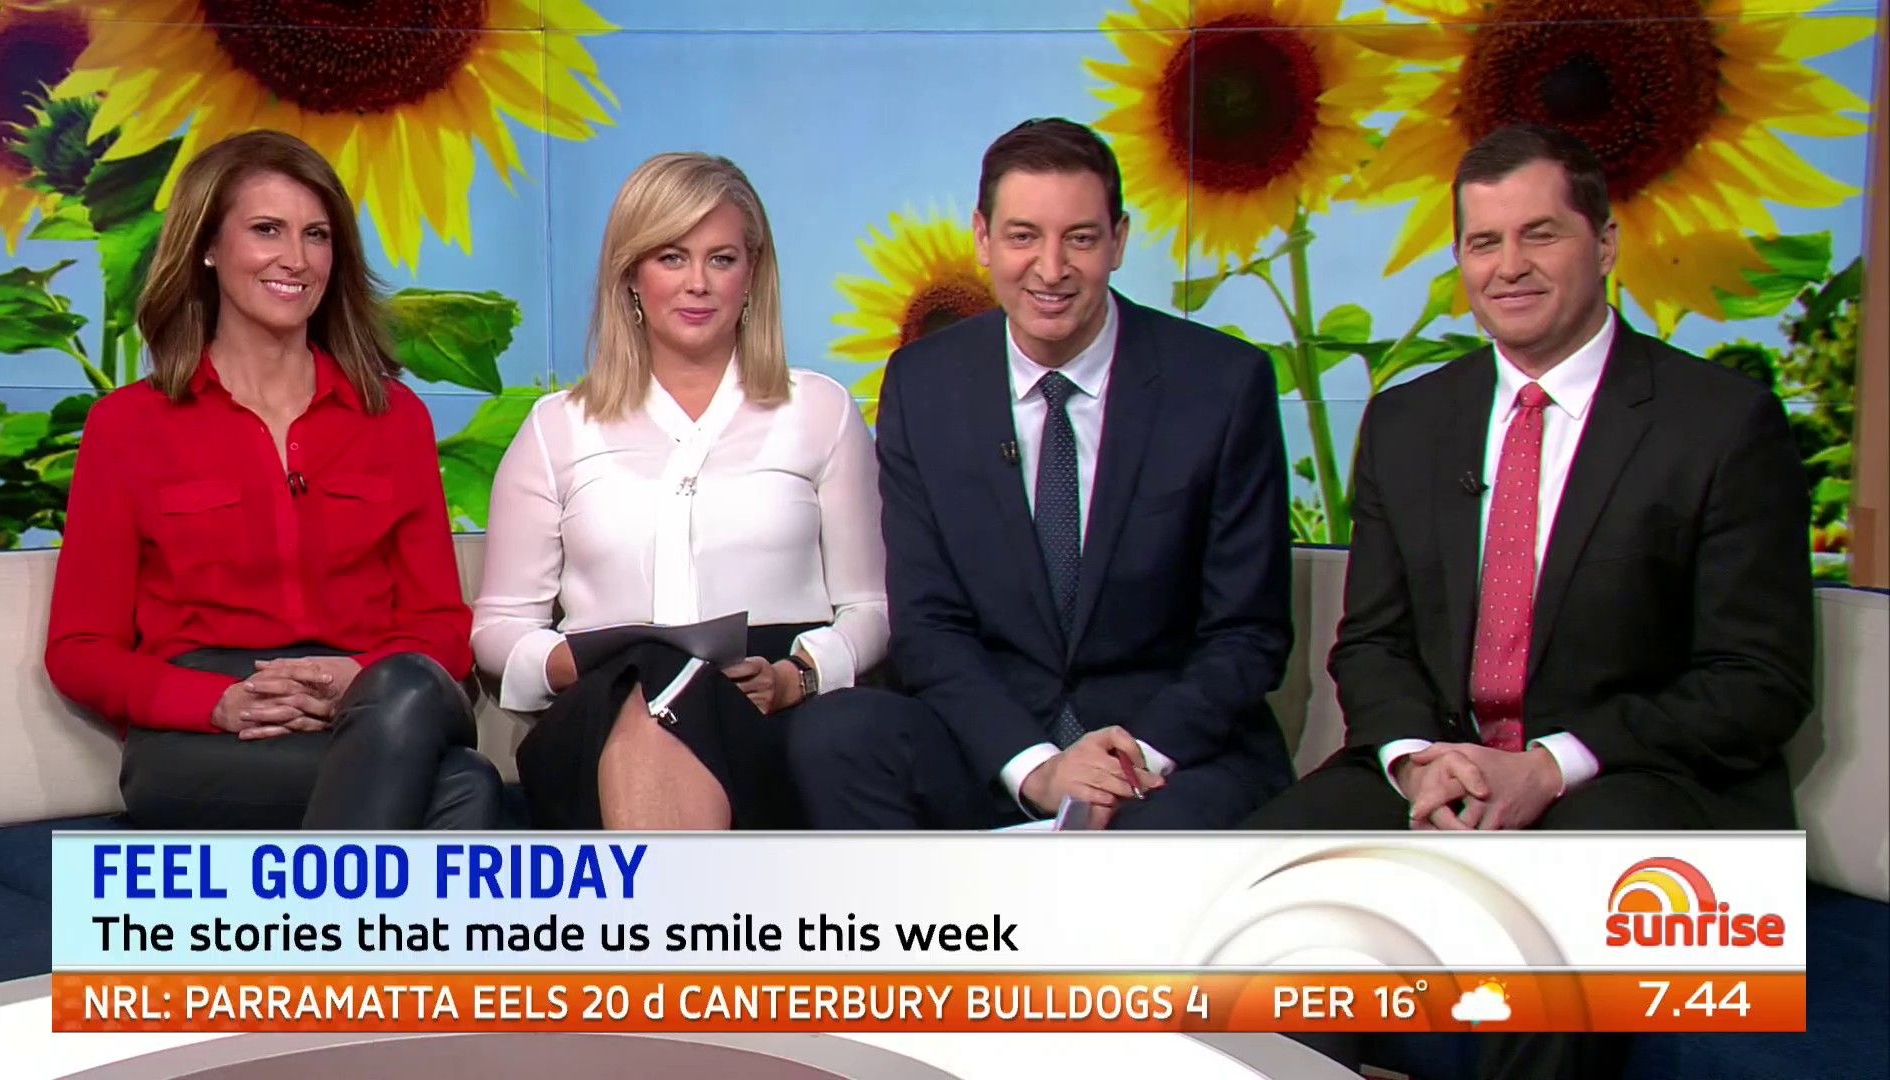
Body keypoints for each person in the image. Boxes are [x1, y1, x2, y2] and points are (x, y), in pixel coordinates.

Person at [1246, 124, 1814, 1078]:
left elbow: (1758, 681)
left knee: (1541, 922)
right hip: (1446, 766)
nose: (1508, 266)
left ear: (1606, 242)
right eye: (1483, 242)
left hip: (1638, 780)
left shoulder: (1720, 423)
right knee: (1246, 887)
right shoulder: (1410, 419)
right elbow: (1373, 644)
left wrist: (1550, 766)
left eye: (1539, 234)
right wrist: (1416, 761)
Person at [793, 118, 1294, 830]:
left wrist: (1124, 764)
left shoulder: (1221, 384)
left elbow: (1246, 634)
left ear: (1119, 241)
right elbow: (929, 625)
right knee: (837, 736)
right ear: (983, 238)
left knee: (1152, 837)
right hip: (994, 745)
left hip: (1166, 753)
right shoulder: (924, 383)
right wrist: (1036, 768)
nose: (1051, 269)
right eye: (1024, 236)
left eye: (1080, 239)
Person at [44, 129, 501, 830]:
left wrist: (356, 678)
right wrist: (215, 702)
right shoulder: (128, 425)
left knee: (411, 693)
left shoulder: (393, 417)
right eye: (267, 230)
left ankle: (321, 902)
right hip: (206, 734)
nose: (296, 259)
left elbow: (439, 625)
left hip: (368, 702)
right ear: (208, 246)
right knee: (462, 787)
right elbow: (80, 651)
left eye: (316, 235)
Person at [472, 152, 886, 831]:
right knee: (650, 688)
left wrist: (799, 675)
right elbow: (499, 628)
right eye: (671, 257)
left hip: (768, 707)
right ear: (631, 276)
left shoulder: (820, 411)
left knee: (688, 703)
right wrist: (564, 664)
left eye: (721, 259)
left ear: (752, 275)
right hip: (601, 702)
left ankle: (662, 898)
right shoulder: (557, 428)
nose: (698, 283)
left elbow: (870, 608)